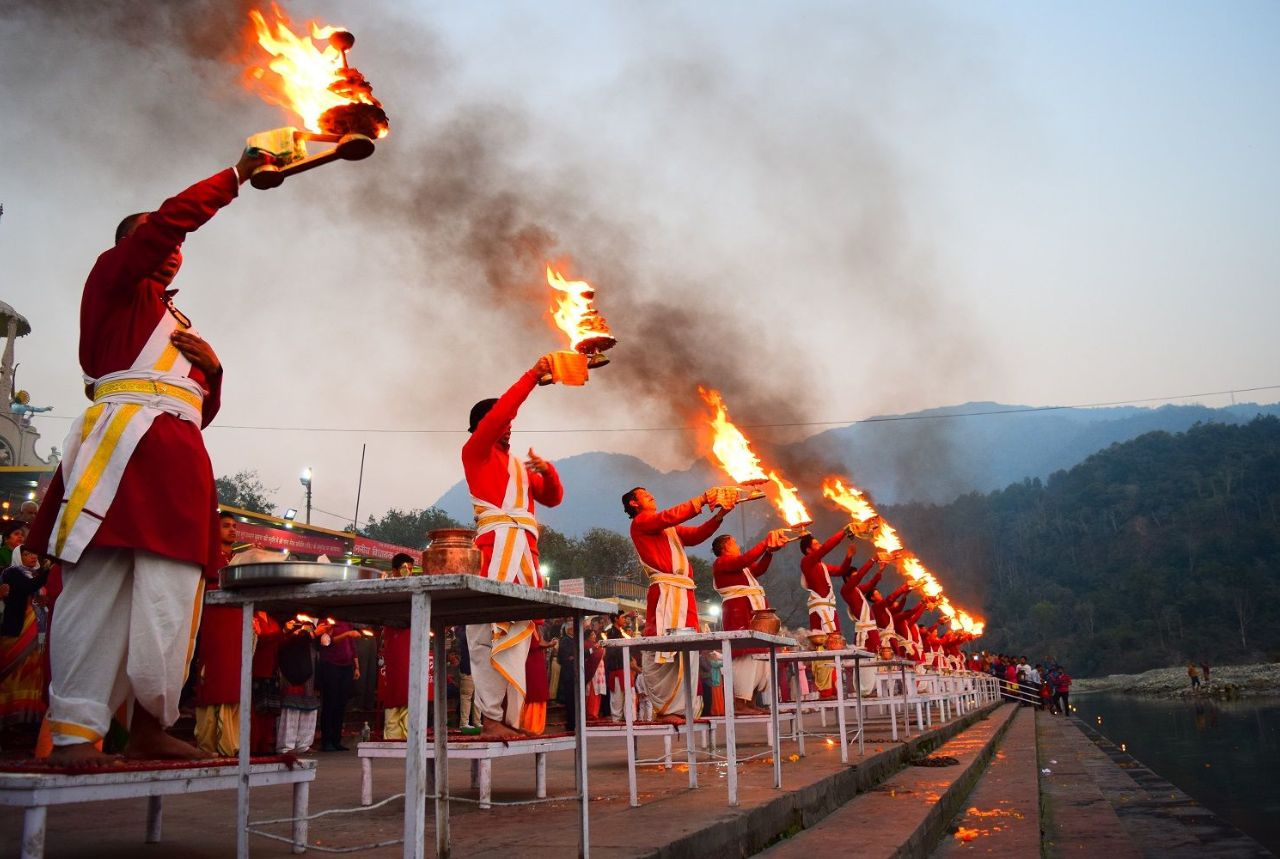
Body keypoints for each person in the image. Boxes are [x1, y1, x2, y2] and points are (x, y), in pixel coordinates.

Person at [23, 150, 274, 763]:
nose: (172, 250)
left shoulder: (179, 322)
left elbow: (194, 409)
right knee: (96, 591)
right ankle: (77, 732)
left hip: (180, 465)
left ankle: (151, 724)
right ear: (126, 249)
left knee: (170, 596)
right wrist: (235, 177)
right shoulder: (113, 286)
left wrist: (214, 371)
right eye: (159, 241)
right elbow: (170, 222)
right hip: (117, 456)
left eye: (177, 248)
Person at [462, 355, 565, 738]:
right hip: (492, 553)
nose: (508, 429)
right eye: (502, 424)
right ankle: (489, 718)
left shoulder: (519, 468)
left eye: (510, 426)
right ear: (483, 427)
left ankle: (508, 717)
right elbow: (504, 410)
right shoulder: (475, 451)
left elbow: (553, 498)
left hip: (524, 557)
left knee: (518, 634)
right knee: (486, 636)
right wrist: (533, 375)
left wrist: (548, 471)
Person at [623, 486, 730, 723]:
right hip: (666, 592)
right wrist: (702, 499)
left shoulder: (667, 528)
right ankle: (664, 709)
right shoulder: (642, 522)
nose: (652, 494)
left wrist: (720, 516)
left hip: (685, 591)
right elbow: (669, 516)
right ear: (634, 503)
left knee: (688, 648)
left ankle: (685, 709)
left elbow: (696, 535)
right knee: (664, 646)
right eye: (644, 493)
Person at [711, 530, 786, 715]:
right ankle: (739, 704)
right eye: (734, 541)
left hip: (751, 610)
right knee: (745, 656)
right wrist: (764, 542)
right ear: (725, 546)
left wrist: (768, 552)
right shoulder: (722, 562)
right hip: (738, 611)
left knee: (758, 656)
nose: (737, 545)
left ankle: (750, 702)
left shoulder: (741, 567)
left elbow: (759, 569)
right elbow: (743, 560)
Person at [192, 511, 241, 756]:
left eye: (234, 526)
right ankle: (209, 743)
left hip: (236, 624)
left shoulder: (240, 559)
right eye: (226, 526)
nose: (232, 530)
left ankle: (231, 743)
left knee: (233, 682)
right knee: (215, 679)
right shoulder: (209, 555)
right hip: (214, 623)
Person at [0, 546, 51, 727]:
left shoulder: (37, 575)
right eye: (26, 554)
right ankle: (9, 710)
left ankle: (32, 712)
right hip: (19, 625)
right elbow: (27, 588)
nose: (31, 556)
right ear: (18, 556)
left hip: (38, 624)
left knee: (35, 665)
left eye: (33, 553)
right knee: (16, 667)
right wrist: (47, 571)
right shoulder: (12, 573)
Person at [377, 554, 417, 741]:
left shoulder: (416, 588)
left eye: (410, 569)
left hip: (412, 641)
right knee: (396, 688)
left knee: (411, 686)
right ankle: (393, 736)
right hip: (395, 643)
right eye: (404, 568)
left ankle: (410, 735)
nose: (407, 572)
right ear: (394, 570)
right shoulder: (387, 589)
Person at [276, 617, 321, 754]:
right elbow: (287, 642)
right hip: (294, 668)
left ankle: (304, 744)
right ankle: (286, 746)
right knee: (291, 710)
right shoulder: (292, 621)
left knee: (310, 710)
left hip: (311, 668)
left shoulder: (320, 622)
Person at [316, 620, 362, 751]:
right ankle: (327, 741)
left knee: (341, 704)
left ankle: (337, 739)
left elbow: (352, 646)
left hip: (346, 666)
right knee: (330, 703)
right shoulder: (327, 621)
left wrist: (357, 666)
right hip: (331, 665)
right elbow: (326, 642)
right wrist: (347, 634)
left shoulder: (346, 622)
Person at [601, 612, 635, 722]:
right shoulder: (611, 633)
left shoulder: (620, 632)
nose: (625, 620)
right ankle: (616, 721)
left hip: (624, 668)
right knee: (617, 699)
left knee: (628, 697)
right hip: (617, 669)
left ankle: (629, 720)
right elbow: (614, 653)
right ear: (616, 619)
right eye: (623, 618)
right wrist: (630, 659)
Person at [520, 622, 553, 734]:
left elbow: (539, 642)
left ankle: (537, 725)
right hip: (531, 664)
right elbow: (533, 644)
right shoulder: (527, 626)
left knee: (539, 693)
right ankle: (530, 725)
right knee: (533, 693)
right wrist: (548, 644)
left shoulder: (536, 627)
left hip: (537, 663)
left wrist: (548, 643)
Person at [556, 620, 580, 731]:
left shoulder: (572, 640)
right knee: (570, 700)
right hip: (568, 673)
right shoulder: (566, 640)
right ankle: (571, 724)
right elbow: (565, 657)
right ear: (570, 630)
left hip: (573, 673)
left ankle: (575, 722)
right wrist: (572, 657)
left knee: (574, 700)